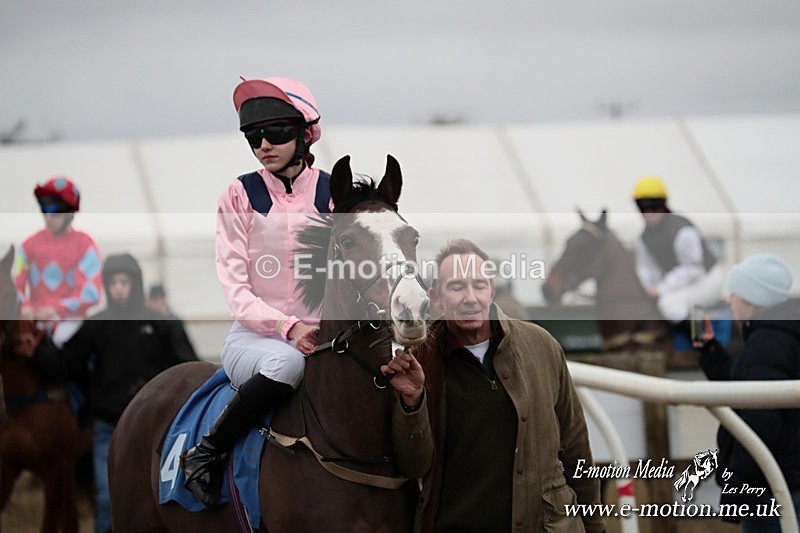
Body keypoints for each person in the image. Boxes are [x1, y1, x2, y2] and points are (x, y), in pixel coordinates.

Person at [181, 76, 432, 508]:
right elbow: (235, 288)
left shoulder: (336, 196)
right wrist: (288, 326)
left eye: (275, 133)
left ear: (304, 134)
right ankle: (207, 451)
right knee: (288, 364)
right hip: (259, 340)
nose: (263, 144)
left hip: (334, 335)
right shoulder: (238, 195)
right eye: (253, 136)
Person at [415, 239, 604, 532]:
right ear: (435, 297)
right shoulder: (420, 364)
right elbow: (409, 462)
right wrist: (409, 402)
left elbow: (576, 445)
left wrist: (594, 527)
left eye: (479, 285)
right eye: (456, 287)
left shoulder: (541, 345)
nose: (470, 298)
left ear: (492, 291)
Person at [28, 253, 198, 533]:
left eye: (124, 281)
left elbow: (186, 365)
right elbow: (65, 366)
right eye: (113, 282)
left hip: (158, 431)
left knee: (163, 498)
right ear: (106, 285)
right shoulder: (97, 325)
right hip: (109, 428)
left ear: (135, 282)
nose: (119, 287)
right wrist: (34, 352)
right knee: (108, 500)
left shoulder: (159, 324)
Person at [693, 253, 800, 532]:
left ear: (753, 298)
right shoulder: (777, 336)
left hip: (772, 489)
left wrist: (737, 488)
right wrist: (710, 351)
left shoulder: (767, 342)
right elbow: (744, 390)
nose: (729, 300)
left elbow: (760, 420)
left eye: (735, 293)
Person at [13, 176, 103, 345]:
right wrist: (24, 305)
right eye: (44, 209)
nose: (48, 217)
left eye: (54, 210)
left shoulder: (85, 244)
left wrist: (55, 308)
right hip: (34, 323)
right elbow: (14, 282)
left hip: (71, 325)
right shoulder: (27, 245)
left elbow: (91, 292)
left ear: (69, 212)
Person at [632, 175, 723, 329]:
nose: (648, 212)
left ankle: (702, 341)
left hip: (706, 280)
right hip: (681, 283)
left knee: (669, 304)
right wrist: (649, 288)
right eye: (643, 207)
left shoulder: (683, 230)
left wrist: (661, 288)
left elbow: (693, 269)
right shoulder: (644, 238)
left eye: (653, 206)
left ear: (663, 205)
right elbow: (646, 268)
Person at [147, 283, 197, 359]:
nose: (156, 303)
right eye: (154, 300)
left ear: (163, 300)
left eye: (158, 299)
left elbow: (185, 346)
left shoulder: (174, 321)